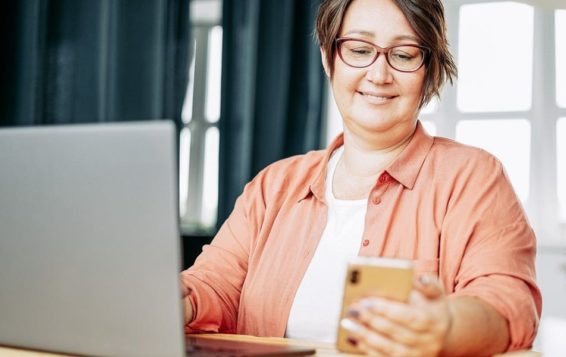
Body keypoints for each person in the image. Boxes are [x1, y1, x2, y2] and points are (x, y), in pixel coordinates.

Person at [180, 0, 541, 355]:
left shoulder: (473, 178)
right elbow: (214, 287)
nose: (379, 74)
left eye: (403, 55)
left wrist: (445, 324)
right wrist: (180, 301)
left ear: (429, 69)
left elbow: (509, 304)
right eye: (358, 49)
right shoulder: (272, 186)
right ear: (328, 57)